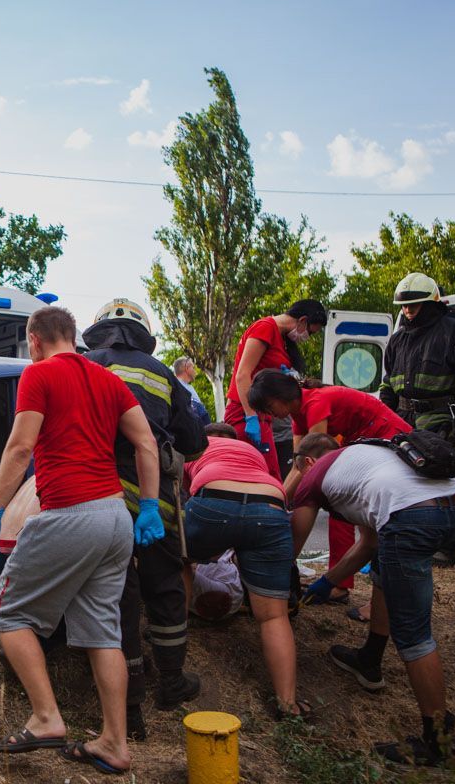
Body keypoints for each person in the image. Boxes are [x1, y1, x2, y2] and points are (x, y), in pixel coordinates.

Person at [0, 306, 161, 776]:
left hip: (69, 513)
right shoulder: (108, 380)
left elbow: (20, 447)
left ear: (34, 340)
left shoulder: (38, 376)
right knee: (102, 631)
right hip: (116, 517)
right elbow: (146, 444)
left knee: (9, 612)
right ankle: (114, 743)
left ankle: (45, 718)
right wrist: (153, 506)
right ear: (72, 335)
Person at [291, 433, 455, 766]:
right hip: (452, 505)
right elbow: (370, 542)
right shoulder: (363, 457)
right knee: (386, 568)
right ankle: (369, 658)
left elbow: (292, 547)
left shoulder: (312, 479)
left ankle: (437, 741)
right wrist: (327, 581)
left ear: (307, 462)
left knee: (413, 634)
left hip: (411, 517)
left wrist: (289, 587)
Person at [83, 300, 208, 740]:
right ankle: (171, 680)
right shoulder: (162, 373)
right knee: (164, 587)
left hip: (96, 501)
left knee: (118, 599)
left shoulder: (80, 364)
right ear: (143, 334)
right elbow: (194, 442)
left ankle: (130, 706)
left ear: (99, 330)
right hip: (152, 505)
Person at [251, 370, 411, 607]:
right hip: (363, 443)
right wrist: (277, 501)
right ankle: (329, 581)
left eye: (267, 405)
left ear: (281, 395)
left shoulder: (316, 402)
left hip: (387, 438)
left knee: (340, 508)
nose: (268, 414)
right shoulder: (299, 413)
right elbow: (299, 464)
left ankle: (331, 583)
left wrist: (283, 502)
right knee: (336, 509)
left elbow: (313, 464)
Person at [183, 433, 306, 718]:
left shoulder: (194, 443)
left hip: (213, 499)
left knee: (180, 559)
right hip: (270, 507)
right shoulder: (250, 451)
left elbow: (183, 493)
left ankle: (176, 633)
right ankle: (288, 704)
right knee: (274, 616)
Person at [378, 273, 455, 567]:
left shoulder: (454, 332)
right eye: (404, 306)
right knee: (400, 480)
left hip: (439, 418)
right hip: (403, 419)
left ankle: (448, 546)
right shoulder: (397, 340)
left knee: (444, 481)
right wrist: (384, 415)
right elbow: (388, 384)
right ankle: (410, 537)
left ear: (431, 303)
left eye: (414, 305)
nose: (408, 311)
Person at [224, 300, 328, 477]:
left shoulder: (282, 340)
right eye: (310, 332)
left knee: (269, 474)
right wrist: (250, 417)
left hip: (262, 414)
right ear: (302, 320)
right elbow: (242, 374)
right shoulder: (265, 328)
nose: (307, 337)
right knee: (264, 476)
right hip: (245, 412)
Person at [173, 356, 212, 426]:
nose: (195, 371)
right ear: (187, 368)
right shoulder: (177, 387)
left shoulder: (186, 387)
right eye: (193, 367)